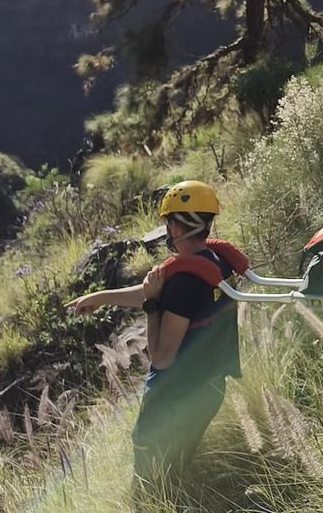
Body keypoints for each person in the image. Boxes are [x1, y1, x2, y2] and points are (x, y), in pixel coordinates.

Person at [66, 180, 246, 490]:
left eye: (167, 221)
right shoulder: (216, 263)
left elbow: (162, 358)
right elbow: (157, 291)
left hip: (172, 398)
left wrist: (151, 307)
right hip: (208, 392)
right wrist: (101, 296)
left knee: (150, 488)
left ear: (176, 226)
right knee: (173, 478)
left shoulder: (184, 281)